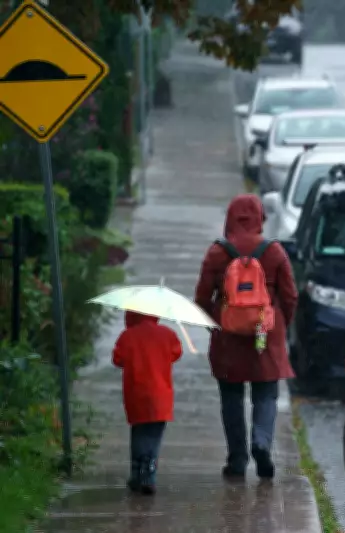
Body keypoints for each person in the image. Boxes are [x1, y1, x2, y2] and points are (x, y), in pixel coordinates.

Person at [195, 194, 298, 479]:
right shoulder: (274, 252)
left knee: (231, 397)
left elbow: (202, 297)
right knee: (266, 393)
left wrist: (214, 324)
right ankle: (261, 442)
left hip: (228, 337)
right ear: (259, 218)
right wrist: (279, 326)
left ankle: (237, 459)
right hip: (264, 335)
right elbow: (290, 296)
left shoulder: (217, 253)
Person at [113, 311, 183, 495]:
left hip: (136, 394)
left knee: (138, 433)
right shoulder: (167, 334)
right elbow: (177, 353)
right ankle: (149, 475)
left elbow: (117, 359)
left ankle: (136, 474)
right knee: (154, 435)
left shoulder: (127, 336)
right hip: (161, 395)